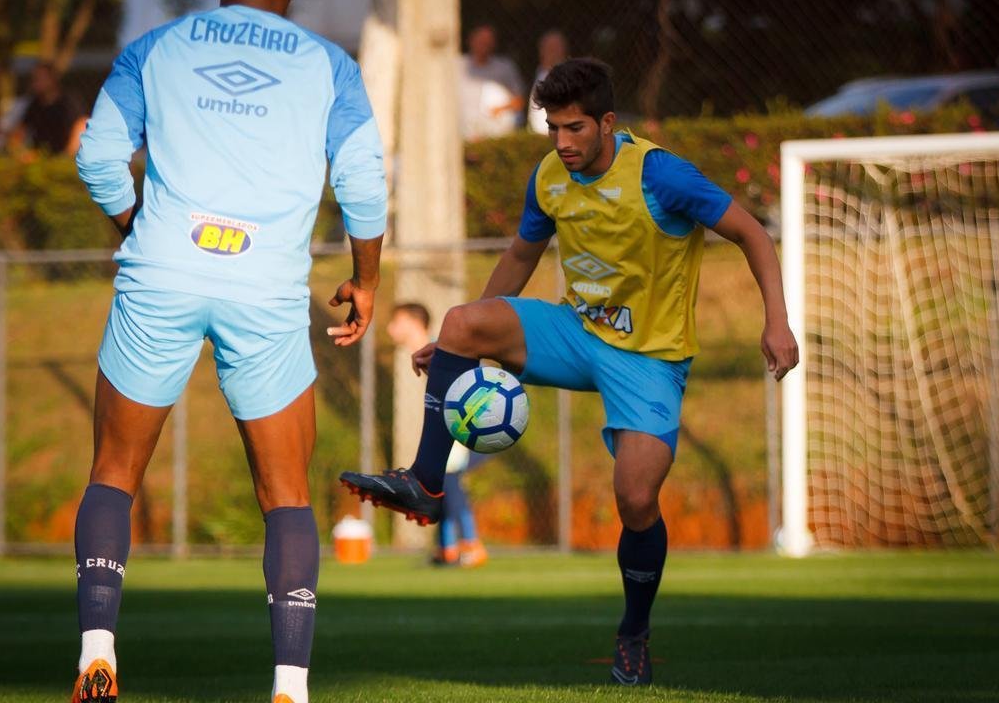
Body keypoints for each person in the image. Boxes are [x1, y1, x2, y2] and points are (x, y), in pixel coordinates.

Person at [341, 58, 797, 686]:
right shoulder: (549, 176)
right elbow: (521, 255)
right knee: (459, 321)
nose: (562, 142)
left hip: (649, 358)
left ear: (608, 122)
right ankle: (425, 483)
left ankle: (634, 634)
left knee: (636, 498)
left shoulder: (659, 174)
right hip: (576, 334)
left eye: (575, 128)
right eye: (553, 128)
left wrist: (776, 321)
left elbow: (752, 234)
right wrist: (461, 335)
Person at [72, 0, 386, 703]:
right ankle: (289, 685)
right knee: (286, 494)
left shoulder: (153, 49)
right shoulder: (331, 67)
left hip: (164, 273)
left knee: (114, 472)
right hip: (266, 288)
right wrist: (366, 279)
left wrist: (136, 226)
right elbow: (365, 186)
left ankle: (96, 654)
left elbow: (97, 156)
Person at [386, 302, 488, 567]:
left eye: (396, 321)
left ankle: (470, 545)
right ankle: (448, 548)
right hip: (452, 425)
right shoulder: (428, 352)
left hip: (461, 425)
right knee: (441, 484)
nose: (390, 328)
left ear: (414, 323)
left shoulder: (440, 351)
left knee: (450, 483)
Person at [459, 24, 525, 140]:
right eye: (480, 40)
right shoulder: (457, 65)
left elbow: (519, 101)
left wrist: (500, 109)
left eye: (488, 41)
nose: (484, 45)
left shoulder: (505, 68)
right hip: (460, 134)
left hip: (494, 136)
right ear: (470, 40)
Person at [12, 61, 84, 155]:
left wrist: (68, 154)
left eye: (40, 78)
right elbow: (22, 130)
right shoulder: (35, 104)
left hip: (65, 156)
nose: (36, 82)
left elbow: (82, 124)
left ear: (52, 79)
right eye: (34, 79)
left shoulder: (69, 101)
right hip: (41, 156)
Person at [527, 30, 569, 134]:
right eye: (548, 46)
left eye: (556, 46)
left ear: (564, 50)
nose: (552, 50)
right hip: (535, 135)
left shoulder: (569, 76)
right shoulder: (539, 73)